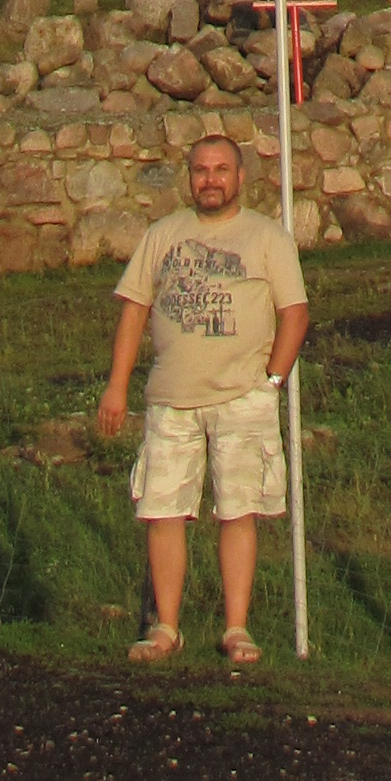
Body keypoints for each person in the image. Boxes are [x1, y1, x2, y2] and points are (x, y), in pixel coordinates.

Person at [96, 129, 309, 669]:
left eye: (220, 170)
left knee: (237, 511)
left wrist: (272, 383)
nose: (210, 180)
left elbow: (295, 314)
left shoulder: (268, 238)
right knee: (163, 510)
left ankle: (236, 628)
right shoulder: (162, 235)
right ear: (189, 178)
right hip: (172, 399)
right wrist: (117, 386)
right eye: (200, 170)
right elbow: (134, 311)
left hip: (243, 397)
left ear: (240, 177)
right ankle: (166, 627)